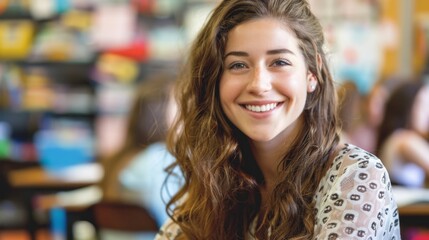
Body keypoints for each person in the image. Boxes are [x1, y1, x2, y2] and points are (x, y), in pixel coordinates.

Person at [157, 0, 401, 239]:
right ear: (215, 81)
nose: (259, 85)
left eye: (279, 62)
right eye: (238, 65)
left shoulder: (355, 176)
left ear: (311, 72)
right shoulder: (215, 183)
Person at [100, 71, 181, 227]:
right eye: (180, 103)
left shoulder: (120, 159)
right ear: (160, 112)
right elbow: (173, 226)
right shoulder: (161, 160)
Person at [376, 80, 429, 188]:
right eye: (423, 105)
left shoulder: (394, 137)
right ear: (407, 106)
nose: (427, 112)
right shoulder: (405, 140)